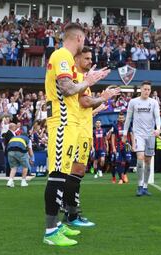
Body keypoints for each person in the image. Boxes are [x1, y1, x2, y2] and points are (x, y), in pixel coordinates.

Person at [43, 23, 110, 246]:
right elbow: (67, 89)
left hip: (69, 122)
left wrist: (88, 81)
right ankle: (51, 232)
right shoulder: (62, 54)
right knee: (57, 174)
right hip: (62, 121)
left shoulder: (68, 60)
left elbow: (74, 89)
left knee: (62, 174)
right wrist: (88, 82)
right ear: (79, 39)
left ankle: (57, 225)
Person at [63, 46, 119, 227]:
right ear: (77, 59)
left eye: (90, 58)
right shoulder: (78, 78)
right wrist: (104, 97)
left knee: (77, 171)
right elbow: (85, 102)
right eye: (86, 58)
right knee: (75, 171)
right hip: (76, 130)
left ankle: (69, 210)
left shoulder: (83, 80)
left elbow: (84, 107)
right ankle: (72, 213)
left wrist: (97, 106)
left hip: (83, 128)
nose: (89, 62)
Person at [123, 81, 161, 196]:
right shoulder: (133, 102)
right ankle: (139, 186)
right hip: (138, 134)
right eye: (145, 89)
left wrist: (158, 128)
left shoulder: (153, 102)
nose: (147, 91)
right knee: (140, 158)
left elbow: (157, 117)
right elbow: (128, 118)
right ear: (141, 89)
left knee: (148, 161)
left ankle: (145, 186)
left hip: (150, 134)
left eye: (149, 90)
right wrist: (125, 133)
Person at [111, 113, 130, 184]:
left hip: (127, 145)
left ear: (124, 118)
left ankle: (124, 174)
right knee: (118, 162)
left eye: (122, 118)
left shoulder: (127, 125)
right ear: (118, 118)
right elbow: (113, 137)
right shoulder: (115, 126)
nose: (121, 119)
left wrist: (133, 145)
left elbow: (131, 134)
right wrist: (113, 148)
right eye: (120, 118)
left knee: (128, 160)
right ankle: (120, 179)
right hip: (118, 145)